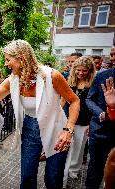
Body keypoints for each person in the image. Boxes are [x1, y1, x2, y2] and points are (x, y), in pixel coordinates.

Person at [0, 40, 80, 189]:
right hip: (30, 128)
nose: (5, 64)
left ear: (22, 58)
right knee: (27, 177)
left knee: (52, 178)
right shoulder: (12, 81)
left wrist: (68, 130)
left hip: (57, 129)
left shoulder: (52, 76)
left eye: (8, 59)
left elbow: (74, 101)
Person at [61, 56, 95, 187]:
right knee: (68, 146)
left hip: (85, 120)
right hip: (69, 119)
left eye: (84, 71)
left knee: (79, 147)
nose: (80, 73)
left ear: (90, 71)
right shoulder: (70, 81)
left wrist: (92, 123)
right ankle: (65, 168)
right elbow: (63, 99)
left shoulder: (93, 83)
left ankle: (74, 169)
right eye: (78, 70)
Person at [85, 47, 115, 189]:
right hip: (100, 131)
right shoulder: (102, 76)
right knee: (95, 169)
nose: (113, 58)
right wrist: (101, 114)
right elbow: (89, 99)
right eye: (111, 54)